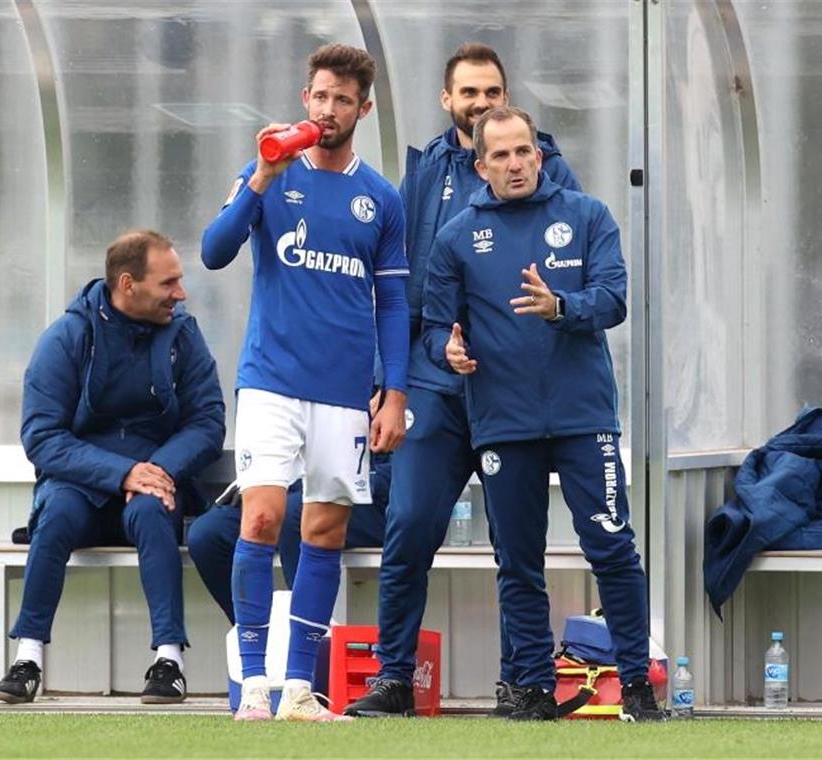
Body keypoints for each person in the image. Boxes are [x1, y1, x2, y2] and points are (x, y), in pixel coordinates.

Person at [344, 42, 582, 719]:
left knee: (518, 544)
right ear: (448, 101)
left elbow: (575, 268)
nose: (480, 104)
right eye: (468, 93)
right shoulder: (422, 175)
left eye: (491, 93)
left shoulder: (549, 169)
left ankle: (525, 682)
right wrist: (390, 379)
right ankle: (394, 679)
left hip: (512, 392)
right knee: (411, 523)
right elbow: (396, 289)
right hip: (434, 382)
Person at [420, 106, 665, 722]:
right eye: (500, 155)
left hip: (585, 417)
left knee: (611, 548)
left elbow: (613, 301)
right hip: (503, 420)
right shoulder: (456, 236)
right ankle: (530, 687)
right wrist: (448, 351)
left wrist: (559, 307)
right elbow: (430, 327)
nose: (515, 163)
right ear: (481, 166)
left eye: (523, 151)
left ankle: (635, 684)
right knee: (519, 561)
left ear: (540, 154)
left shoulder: (587, 216)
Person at [199, 43, 409, 722]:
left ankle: (298, 690)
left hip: (345, 391)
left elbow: (396, 304)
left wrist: (395, 393)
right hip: (270, 379)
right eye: (320, 96)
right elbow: (213, 250)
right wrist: (260, 177)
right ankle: (254, 685)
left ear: (363, 110)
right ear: (305, 98)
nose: (328, 110)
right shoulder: (268, 171)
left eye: (342, 100)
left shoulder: (379, 198)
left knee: (324, 531)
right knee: (261, 516)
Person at [0, 230, 225, 705]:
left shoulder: (184, 334)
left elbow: (207, 421)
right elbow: (42, 436)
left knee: (154, 510)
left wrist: (154, 470)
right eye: (169, 283)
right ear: (127, 284)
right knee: (54, 516)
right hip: (80, 484)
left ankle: (169, 661)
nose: (181, 293)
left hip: (152, 481)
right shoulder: (66, 337)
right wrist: (120, 473)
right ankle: (27, 658)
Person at [185, 452, 390, 623]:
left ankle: (306, 644)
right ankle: (261, 638)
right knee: (209, 534)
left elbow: (406, 468)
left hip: (373, 500)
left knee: (297, 512)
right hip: (291, 489)